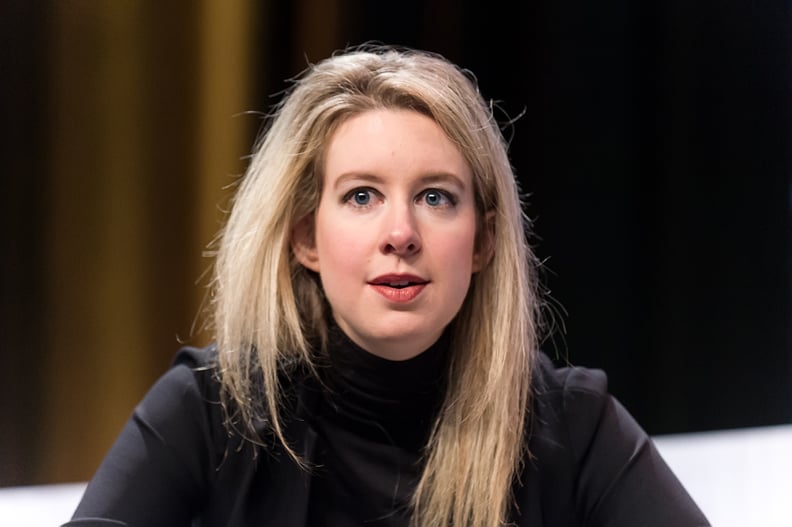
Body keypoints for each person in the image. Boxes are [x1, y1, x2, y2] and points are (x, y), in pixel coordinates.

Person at [65, 44, 710, 527]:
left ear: (483, 240)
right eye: (362, 195)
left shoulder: (571, 424)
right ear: (305, 239)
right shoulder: (209, 411)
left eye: (435, 197)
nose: (400, 233)